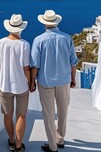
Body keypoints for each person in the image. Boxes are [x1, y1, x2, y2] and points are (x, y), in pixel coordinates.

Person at [30, 10, 78, 152]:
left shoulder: (39, 40)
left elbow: (35, 65)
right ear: (56, 22)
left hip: (45, 82)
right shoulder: (66, 38)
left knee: (48, 113)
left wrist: (32, 81)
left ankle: (52, 145)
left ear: (44, 23)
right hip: (63, 80)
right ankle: (60, 139)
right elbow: (73, 62)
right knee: (63, 111)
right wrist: (73, 78)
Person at [0, 14, 31, 152]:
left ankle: (11, 140)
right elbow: (26, 68)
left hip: (4, 85)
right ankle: (19, 146)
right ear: (21, 28)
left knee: (7, 115)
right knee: (21, 115)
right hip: (21, 85)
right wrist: (31, 81)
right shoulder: (25, 45)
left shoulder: (1, 42)